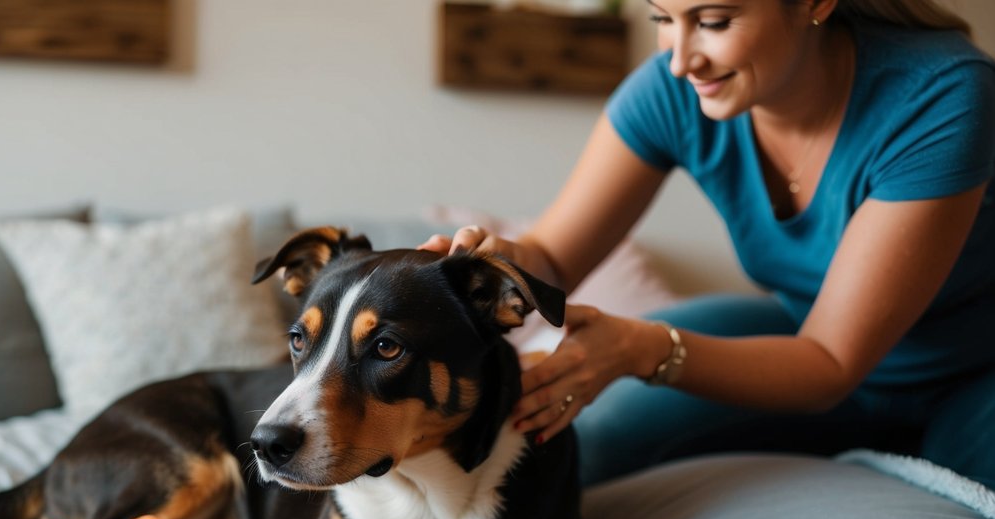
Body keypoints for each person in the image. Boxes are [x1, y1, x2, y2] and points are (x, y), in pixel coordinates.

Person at [421, 0, 995, 489]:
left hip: (967, 372)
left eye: (714, 21)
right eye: (662, 17)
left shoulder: (943, 95)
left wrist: (640, 349)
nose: (680, 60)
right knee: (577, 448)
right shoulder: (673, 92)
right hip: (798, 335)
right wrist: (501, 262)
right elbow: (553, 256)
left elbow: (830, 365)